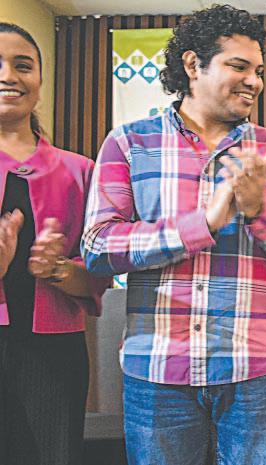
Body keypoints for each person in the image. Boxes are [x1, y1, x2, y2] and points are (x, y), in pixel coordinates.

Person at [81, 5, 266, 465]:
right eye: (239, 66)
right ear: (193, 65)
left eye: (259, 71)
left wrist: (259, 213)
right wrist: (203, 224)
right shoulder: (130, 143)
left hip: (256, 371)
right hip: (158, 370)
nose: (254, 81)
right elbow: (97, 248)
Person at [0, 22, 110, 465]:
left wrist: (57, 270)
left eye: (23, 65)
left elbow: (98, 281)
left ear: (40, 80)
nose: (9, 75)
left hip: (54, 356)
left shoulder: (81, 171)